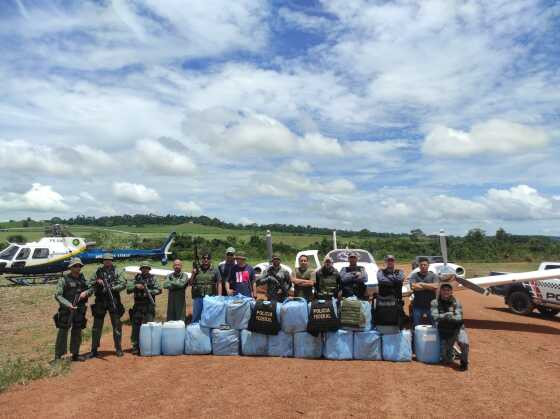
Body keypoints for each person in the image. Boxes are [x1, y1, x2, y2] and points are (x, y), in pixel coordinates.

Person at [53, 258, 92, 362]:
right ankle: (58, 356)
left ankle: (75, 354)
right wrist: (68, 305)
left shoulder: (83, 279)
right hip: (67, 311)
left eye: (79, 266)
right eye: (75, 266)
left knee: (77, 331)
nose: (78, 268)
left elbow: (91, 288)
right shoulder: (64, 279)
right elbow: (58, 295)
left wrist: (86, 293)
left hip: (79, 310)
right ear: (70, 267)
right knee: (63, 332)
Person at [88, 253, 126, 358]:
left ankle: (118, 348)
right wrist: (97, 281)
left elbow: (123, 284)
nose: (107, 261)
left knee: (117, 325)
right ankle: (94, 349)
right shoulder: (98, 271)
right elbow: (89, 283)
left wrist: (112, 287)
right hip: (100, 301)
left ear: (112, 260)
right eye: (105, 260)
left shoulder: (118, 271)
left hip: (113, 300)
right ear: (103, 261)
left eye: (109, 260)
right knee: (96, 326)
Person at [431, 283, 469, 371]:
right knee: (446, 357)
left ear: (451, 292)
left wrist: (445, 316)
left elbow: (459, 316)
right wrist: (447, 315)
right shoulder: (434, 302)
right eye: (444, 290)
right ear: (440, 291)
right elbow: (434, 316)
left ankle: (464, 362)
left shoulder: (456, 302)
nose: (446, 292)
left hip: (457, 327)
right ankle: (448, 356)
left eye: (448, 290)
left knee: (464, 343)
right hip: (444, 328)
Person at [127, 261, 162, 355]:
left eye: (146, 268)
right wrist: (136, 286)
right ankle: (135, 346)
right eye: (143, 268)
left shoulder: (153, 278)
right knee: (136, 327)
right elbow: (128, 289)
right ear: (141, 269)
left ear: (149, 269)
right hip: (137, 305)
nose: (145, 269)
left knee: (148, 326)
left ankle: (148, 346)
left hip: (148, 305)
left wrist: (147, 290)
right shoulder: (136, 278)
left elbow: (159, 290)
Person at [375, 255, 405, 333]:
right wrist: (394, 279)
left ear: (394, 261)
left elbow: (400, 279)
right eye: (388, 260)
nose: (390, 262)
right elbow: (381, 280)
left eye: (391, 260)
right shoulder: (380, 271)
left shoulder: (400, 271)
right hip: (384, 301)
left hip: (396, 300)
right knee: (384, 319)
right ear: (385, 262)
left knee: (397, 319)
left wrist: (389, 278)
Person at [408, 257, 439, 329]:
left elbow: (435, 286)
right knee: (417, 325)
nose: (423, 266)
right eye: (421, 265)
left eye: (425, 265)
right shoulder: (414, 275)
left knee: (434, 324)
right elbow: (413, 286)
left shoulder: (433, 275)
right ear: (419, 266)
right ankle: (416, 338)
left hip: (431, 305)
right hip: (417, 305)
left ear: (428, 266)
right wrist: (429, 287)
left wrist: (422, 284)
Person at [190, 252, 221, 322]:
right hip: (198, 297)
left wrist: (219, 297)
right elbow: (190, 283)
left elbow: (219, 283)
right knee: (196, 317)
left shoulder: (215, 270)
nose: (206, 260)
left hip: (211, 297)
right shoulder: (197, 269)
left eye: (208, 258)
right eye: (204, 258)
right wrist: (193, 274)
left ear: (210, 260)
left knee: (210, 316)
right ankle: (195, 331)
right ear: (202, 259)